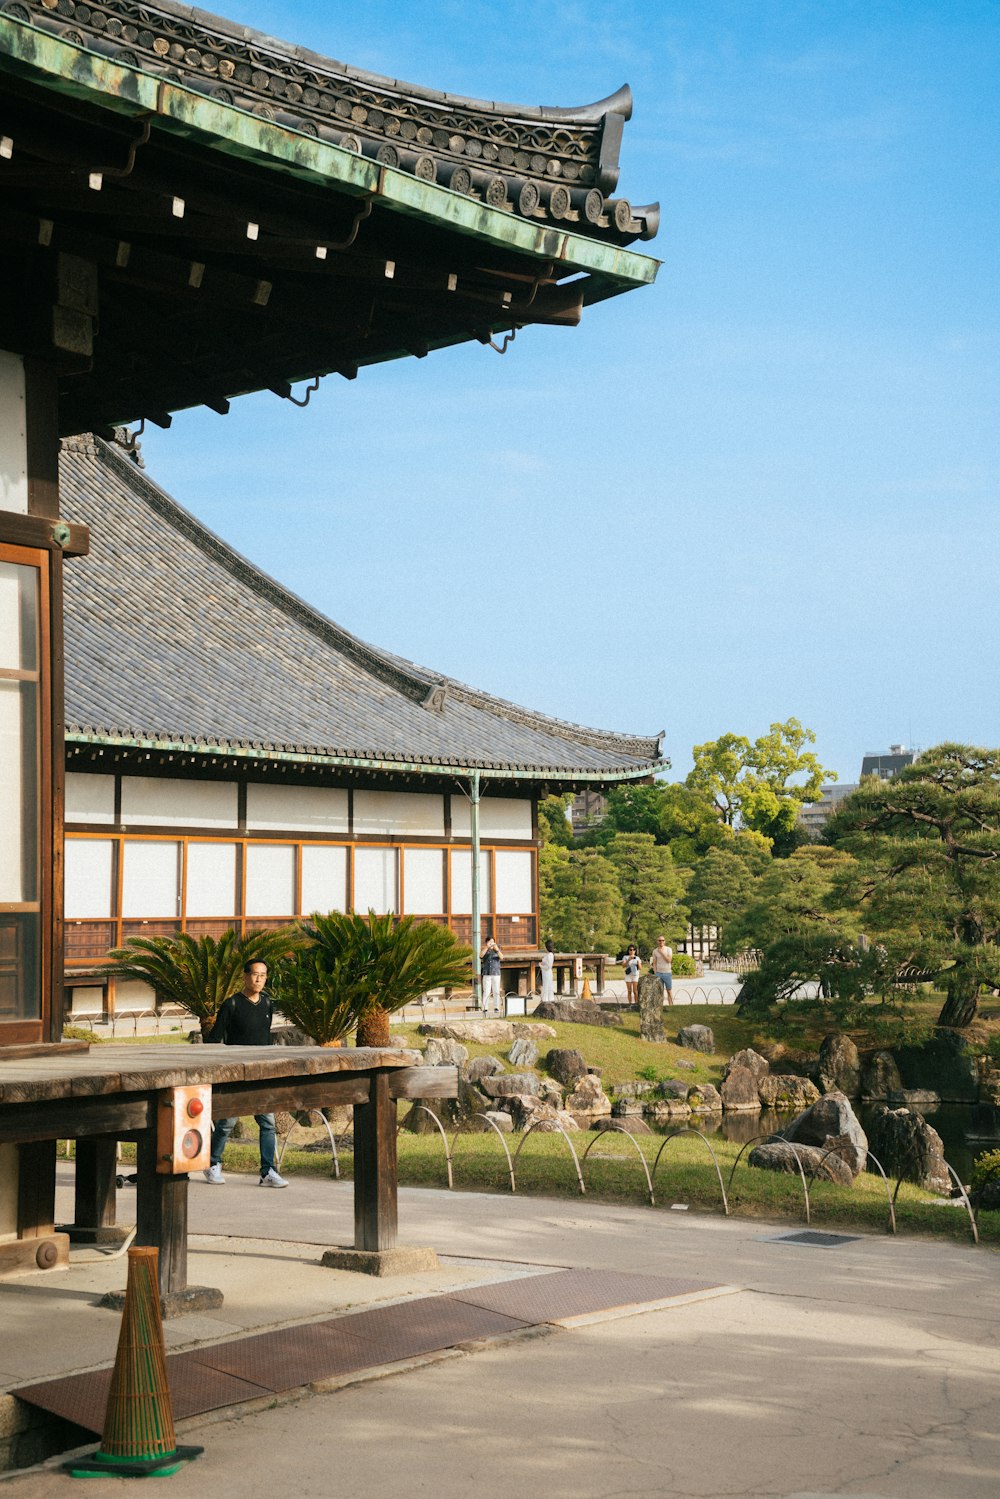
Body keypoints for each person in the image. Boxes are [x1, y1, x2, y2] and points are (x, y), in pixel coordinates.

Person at [203, 959, 288, 1188]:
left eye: (263, 975)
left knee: (268, 1123)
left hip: (260, 1074)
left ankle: (267, 1171)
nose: (259, 979)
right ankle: (212, 1163)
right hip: (235, 1074)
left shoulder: (267, 1003)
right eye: (255, 974)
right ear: (245, 976)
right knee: (226, 1123)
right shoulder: (231, 1004)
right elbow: (214, 1039)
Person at [480, 936, 504, 1014]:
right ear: (486, 942)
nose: (491, 943)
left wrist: (497, 950)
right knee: (486, 991)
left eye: (493, 942)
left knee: (496, 991)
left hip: (496, 973)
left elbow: (502, 957)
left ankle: (496, 1007)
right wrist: (487, 947)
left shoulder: (497, 949)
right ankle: (485, 1007)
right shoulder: (485, 950)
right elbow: (480, 955)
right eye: (490, 942)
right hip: (486, 973)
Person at [650, 935, 674, 1006]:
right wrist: (655, 972)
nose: (661, 942)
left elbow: (669, 960)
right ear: (657, 941)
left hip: (667, 973)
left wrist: (662, 953)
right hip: (659, 973)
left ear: (665, 941)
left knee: (669, 990)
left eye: (662, 940)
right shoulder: (654, 951)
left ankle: (671, 1006)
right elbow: (654, 963)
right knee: (660, 991)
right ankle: (660, 1006)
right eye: (660, 940)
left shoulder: (668, 949)